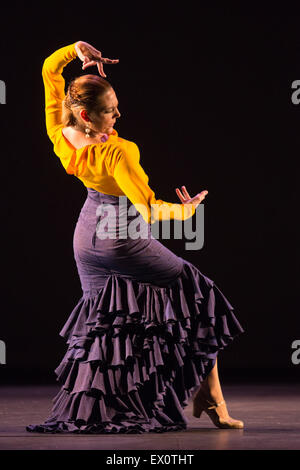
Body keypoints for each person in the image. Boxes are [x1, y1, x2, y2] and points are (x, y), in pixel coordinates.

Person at [26, 41, 245, 434]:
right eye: (109, 111)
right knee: (201, 295)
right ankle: (211, 398)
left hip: (85, 240)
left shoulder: (60, 133)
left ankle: (89, 411)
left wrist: (75, 50)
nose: (117, 115)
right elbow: (149, 210)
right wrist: (187, 210)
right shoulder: (121, 152)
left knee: (104, 324)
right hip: (122, 238)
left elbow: (48, 71)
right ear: (86, 114)